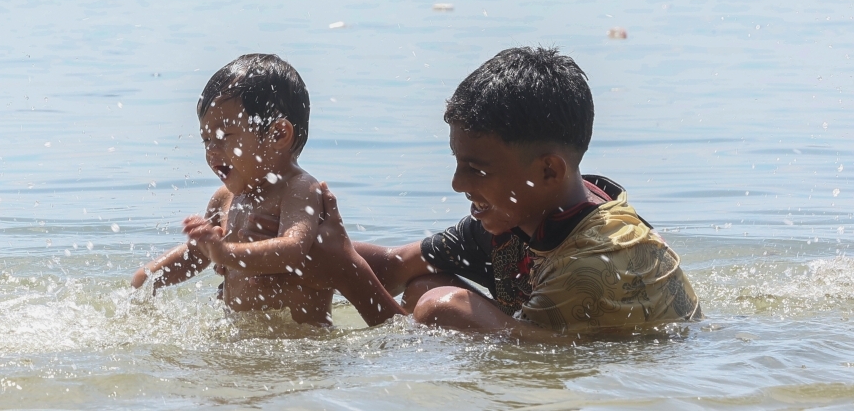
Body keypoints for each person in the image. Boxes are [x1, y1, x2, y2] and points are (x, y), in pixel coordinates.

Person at [239, 47, 702, 338]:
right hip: (545, 328)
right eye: (457, 162)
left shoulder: (595, 264)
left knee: (441, 307)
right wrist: (278, 246)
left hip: (633, 365)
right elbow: (398, 265)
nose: (458, 184)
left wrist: (350, 275)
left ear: (547, 170)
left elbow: (534, 367)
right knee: (425, 285)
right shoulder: (523, 214)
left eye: (476, 168)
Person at [131, 53, 389, 325]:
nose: (212, 150)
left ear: (278, 134)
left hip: (301, 343)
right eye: (206, 139)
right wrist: (150, 277)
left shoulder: (298, 189)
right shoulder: (224, 199)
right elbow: (197, 255)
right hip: (240, 339)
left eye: (223, 136)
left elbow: (293, 249)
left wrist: (225, 253)